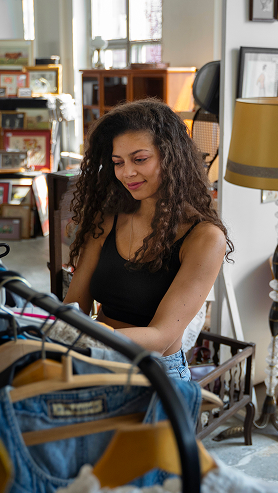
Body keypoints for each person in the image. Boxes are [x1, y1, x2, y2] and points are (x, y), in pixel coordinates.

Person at [63, 99, 233, 381]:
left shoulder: (204, 238)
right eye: (118, 162)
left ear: (171, 157)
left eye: (139, 159)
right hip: (96, 355)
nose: (126, 172)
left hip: (157, 373)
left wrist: (86, 335)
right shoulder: (107, 219)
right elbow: (75, 304)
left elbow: (160, 336)